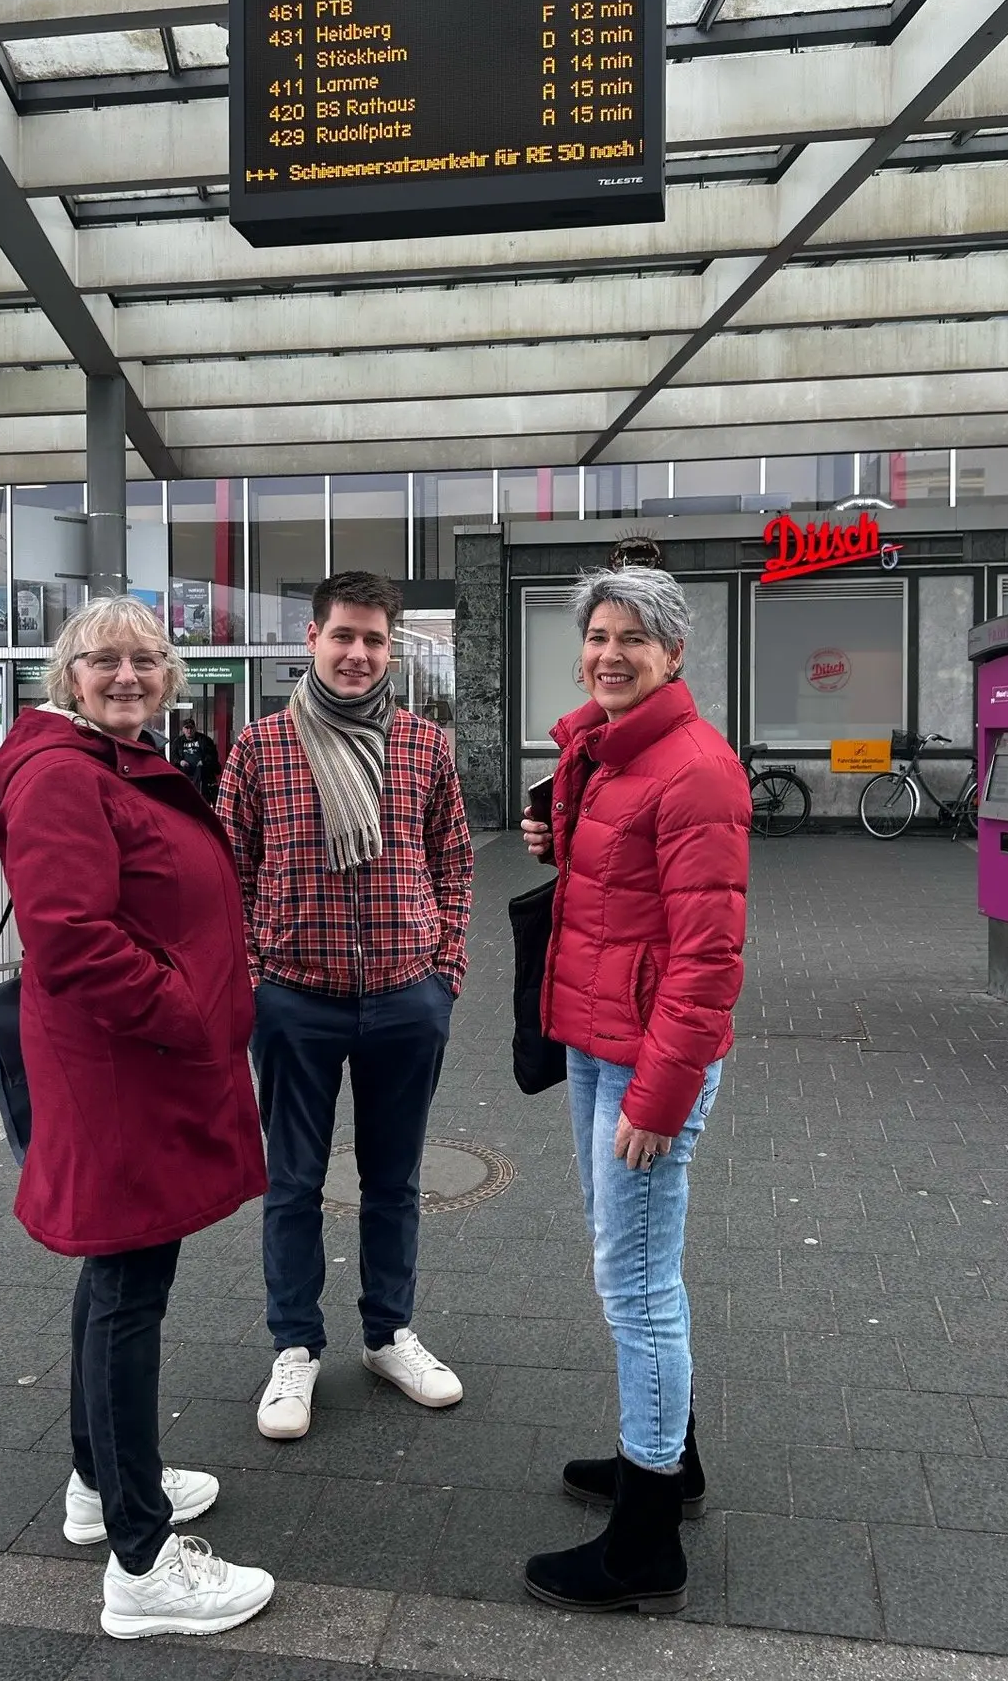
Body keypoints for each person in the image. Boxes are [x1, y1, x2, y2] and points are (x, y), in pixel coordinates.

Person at [0, 594, 275, 1642]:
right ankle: (143, 1564)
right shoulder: (66, 774)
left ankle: (98, 1485)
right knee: (127, 1293)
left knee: (117, 1279)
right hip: (129, 1071)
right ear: (68, 675)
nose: (127, 674)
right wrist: (190, 1019)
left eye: (146, 659)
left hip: (136, 1066)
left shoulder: (114, 763)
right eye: (103, 659)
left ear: (171, 674)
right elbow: (69, 937)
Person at [518, 567, 749, 1616]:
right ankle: (673, 1458)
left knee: (638, 1282)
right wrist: (555, 835)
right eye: (598, 634)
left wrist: (661, 1096)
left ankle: (648, 1539)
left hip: (646, 1059)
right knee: (631, 1266)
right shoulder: (608, 752)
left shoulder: (694, 767)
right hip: (595, 1040)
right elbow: (620, 893)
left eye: (632, 638)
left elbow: (707, 959)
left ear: (675, 654)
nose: (608, 652)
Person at [218, 569, 474, 1441]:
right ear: (312, 641)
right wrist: (254, 979)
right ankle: (295, 1346)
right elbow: (229, 877)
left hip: (407, 997)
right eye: (343, 636)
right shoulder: (259, 748)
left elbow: (455, 863)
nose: (358, 654)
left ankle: (387, 1332)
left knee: (393, 1181)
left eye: (373, 639)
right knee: (290, 1183)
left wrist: (445, 972)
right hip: (295, 1000)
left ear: (390, 647)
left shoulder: (425, 747)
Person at [173, 716, 223, 806]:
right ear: (183, 730)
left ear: (195, 728)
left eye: (191, 728)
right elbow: (174, 756)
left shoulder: (205, 740)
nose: (189, 730)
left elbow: (212, 755)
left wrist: (203, 762)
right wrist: (180, 762)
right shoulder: (178, 742)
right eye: (186, 728)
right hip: (185, 772)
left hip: (203, 774)